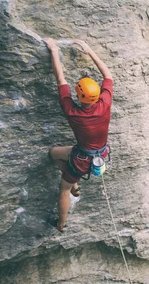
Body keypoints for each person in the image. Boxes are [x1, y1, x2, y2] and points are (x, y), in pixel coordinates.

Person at [44, 38, 113, 232]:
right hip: (101, 154)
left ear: (79, 95)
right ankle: (74, 182)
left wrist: (54, 50)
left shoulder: (72, 111)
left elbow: (60, 79)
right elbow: (108, 74)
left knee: (62, 189)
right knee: (56, 153)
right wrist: (90, 50)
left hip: (82, 158)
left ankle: (61, 223)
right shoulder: (104, 103)